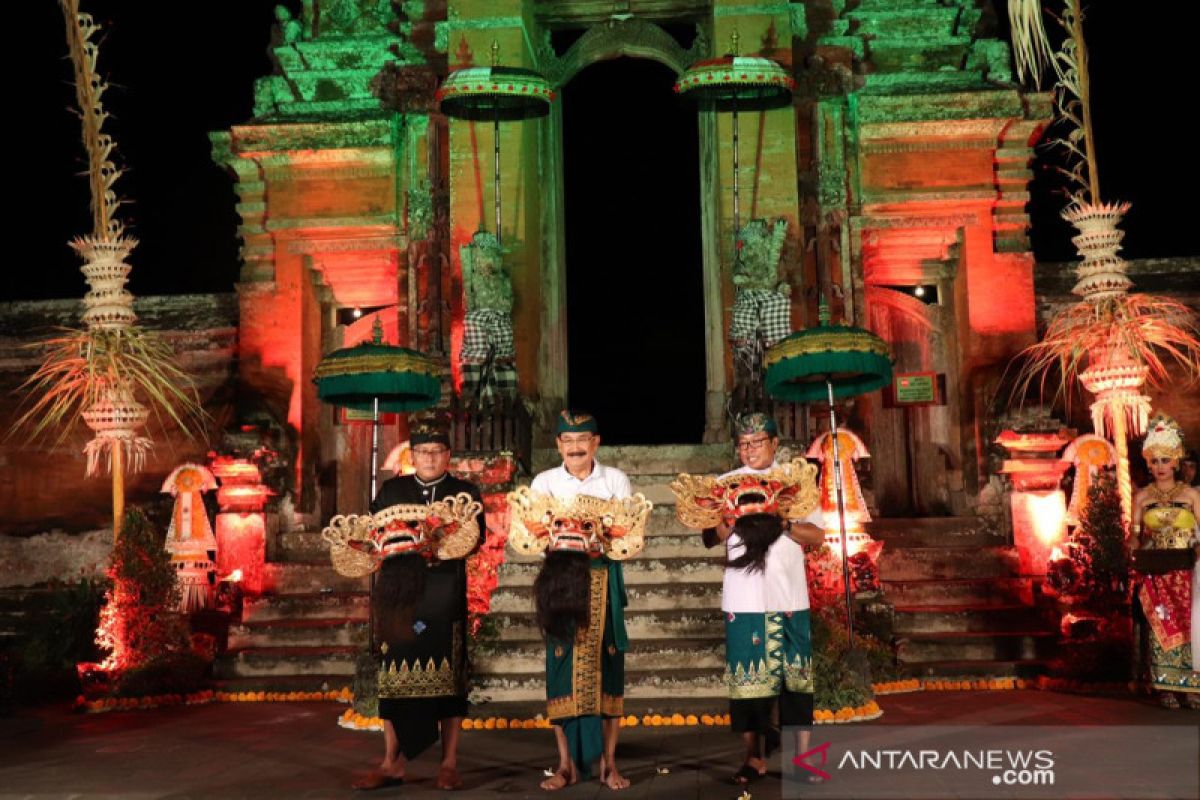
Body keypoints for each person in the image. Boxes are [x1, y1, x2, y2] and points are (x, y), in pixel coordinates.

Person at [678, 412, 824, 785]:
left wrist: (783, 521)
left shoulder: (795, 483)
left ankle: (802, 760)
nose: (750, 450)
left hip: (790, 596)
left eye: (757, 442)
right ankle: (753, 758)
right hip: (743, 600)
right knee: (747, 687)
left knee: (796, 683)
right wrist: (729, 517)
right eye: (744, 444)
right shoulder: (726, 483)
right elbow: (710, 537)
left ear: (775, 444)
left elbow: (817, 535)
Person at [353, 414, 486, 790]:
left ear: (448, 454)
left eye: (437, 451)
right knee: (393, 680)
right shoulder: (392, 491)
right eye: (423, 451)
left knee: (448, 681)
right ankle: (391, 762)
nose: (429, 458)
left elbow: (476, 540)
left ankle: (449, 763)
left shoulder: (465, 493)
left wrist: (440, 546)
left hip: (444, 595)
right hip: (399, 596)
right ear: (413, 454)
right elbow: (371, 536)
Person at [527, 411, 635, 791]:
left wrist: (599, 536)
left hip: (602, 580)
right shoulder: (544, 482)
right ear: (558, 445)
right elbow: (529, 534)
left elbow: (630, 536)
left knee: (608, 670)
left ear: (595, 443)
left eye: (582, 439)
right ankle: (565, 766)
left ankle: (608, 765)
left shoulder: (616, 480)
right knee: (560, 672)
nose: (575, 447)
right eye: (568, 441)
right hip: (560, 584)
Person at [1133, 415, 1200, 710]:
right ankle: (1167, 687)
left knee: (1191, 627)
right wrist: (1132, 548)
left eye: (1165, 460)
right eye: (1155, 460)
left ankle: (1193, 688)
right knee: (1162, 627)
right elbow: (1134, 536)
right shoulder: (1142, 497)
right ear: (1149, 463)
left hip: (1187, 572)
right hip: (1157, 572)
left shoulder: (1191, 495)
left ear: (1175, 462)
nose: (1160, 466)